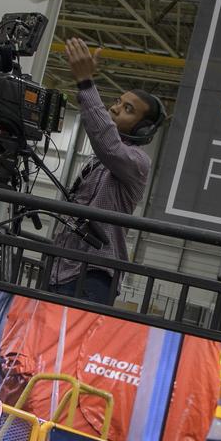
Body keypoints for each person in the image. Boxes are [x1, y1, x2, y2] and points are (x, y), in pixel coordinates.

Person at [49, 37, 162, 305]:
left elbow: (107, 142)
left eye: (128, 109)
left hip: (93, 276)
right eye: (119, 101)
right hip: (63, 268)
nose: (115, 108)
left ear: (142, 129)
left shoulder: (136, 162)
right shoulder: (99, 160)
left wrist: (86, 83)